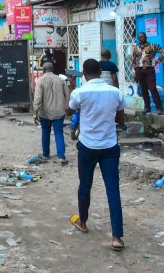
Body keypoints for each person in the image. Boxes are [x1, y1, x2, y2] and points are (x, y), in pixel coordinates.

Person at [67, 58, 125, 251]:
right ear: (101, 72)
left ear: (83, 74)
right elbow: (120, 119)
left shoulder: (80, 92)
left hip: (88, 146)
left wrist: (69, 85)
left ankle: (83, 222)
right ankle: (117, 237)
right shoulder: (115, 92)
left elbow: (68, 110)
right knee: (113, 189)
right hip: (110, 146)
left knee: (85, 185)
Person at [32, 62, 70, 165]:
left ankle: (45, 154)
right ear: (53, 69)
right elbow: (67, 95)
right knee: (58, 133)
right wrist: (66, 108)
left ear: (43, 70)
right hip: (59, 111)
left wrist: (35, 113)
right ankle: (61, 157)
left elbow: (38, 99)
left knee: (45, 132)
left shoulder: (40, 81)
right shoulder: (61, 80)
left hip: (45, 112)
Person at [131, 32, 164, 114]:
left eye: (143, 37)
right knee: (143, 90)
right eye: (139, 37)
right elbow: (134, 60)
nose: (141, 38)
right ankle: (147, 107)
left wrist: (157, 61)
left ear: (146, 37)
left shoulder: (152, 46)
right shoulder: (135, 48)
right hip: (139, 70)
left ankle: (159, 108)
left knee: (153, 88)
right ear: (138, 38)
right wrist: (134, 72)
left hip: (149, 70)